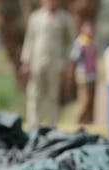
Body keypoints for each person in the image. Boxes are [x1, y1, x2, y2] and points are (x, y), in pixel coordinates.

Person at [20, 0, 74, 128]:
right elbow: (29, 39)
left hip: (55, 63)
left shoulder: (64, 18)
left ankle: (52, 125)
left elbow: (70, 41)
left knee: (53, 95)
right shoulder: (36, 17)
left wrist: (67, 60)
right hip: (36, 62)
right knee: (35, 94)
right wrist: (26, 62)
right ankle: (33, 125)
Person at [69, 21, 97, 125]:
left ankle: (89, 122)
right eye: (88, 29)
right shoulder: (80, 42)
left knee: (91, 100)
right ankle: (78, 122)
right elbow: (74, 58)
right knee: (84, 100)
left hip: (92, 75)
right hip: (82, 74)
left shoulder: (92, 42)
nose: (90, 31)